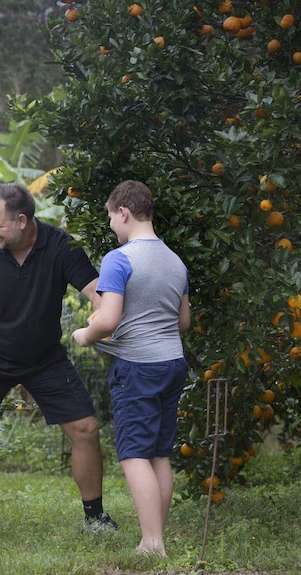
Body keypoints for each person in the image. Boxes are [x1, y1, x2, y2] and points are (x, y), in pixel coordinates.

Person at [0, 183, 118, 548]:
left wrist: (99, 322)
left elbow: (98, 294)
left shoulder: (60, 247)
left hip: (44, 358)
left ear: (21, 220)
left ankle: (95, 516)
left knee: (86, 428)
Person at [71, 180, 190, 556]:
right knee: (158, 454)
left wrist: (84, 334)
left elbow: (108, 321)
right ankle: (153, 537)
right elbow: (182, 321)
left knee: (134, 454)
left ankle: (153, 543)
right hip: (172, 363)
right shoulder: (175, 260)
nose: (111, 226)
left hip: (139, 368)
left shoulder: (118, 259)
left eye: (110, 217)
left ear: (123, 211)